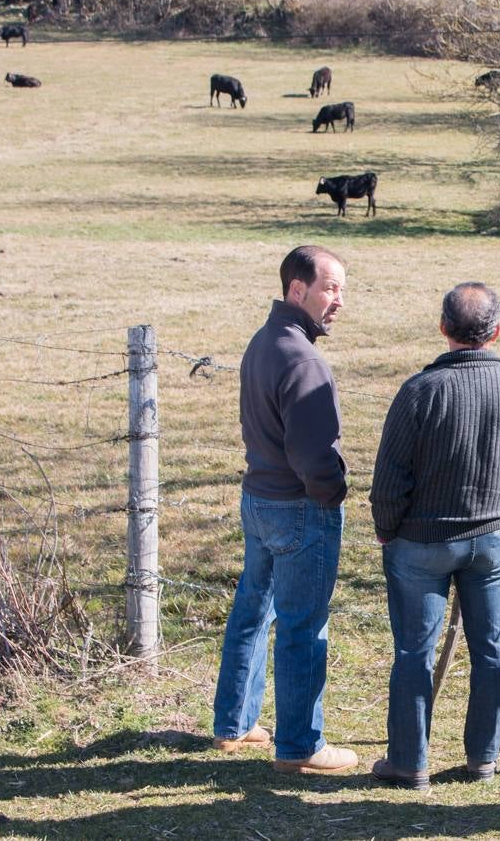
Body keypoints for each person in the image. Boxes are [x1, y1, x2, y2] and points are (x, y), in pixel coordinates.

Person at [368, 282, 500, 791]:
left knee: (413, 652)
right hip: (491, 538)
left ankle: (410, 763)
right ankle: (483, 758)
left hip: (420, 543)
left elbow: (389, 481)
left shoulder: (419, 391)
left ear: (443, 328)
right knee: (492, 650)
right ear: (496, 332)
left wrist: (388, 529)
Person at [212, 245, 359, 775]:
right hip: (298, 507)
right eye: (331, 288)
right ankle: (300, 747)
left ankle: (235, 723)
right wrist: (332, 494)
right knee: (303, 625)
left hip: (259, 500)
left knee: (253, 609)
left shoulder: (264, 340)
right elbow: (314, 455)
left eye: (341, 288)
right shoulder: (302, 358)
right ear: (298, 290)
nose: (339, 300)